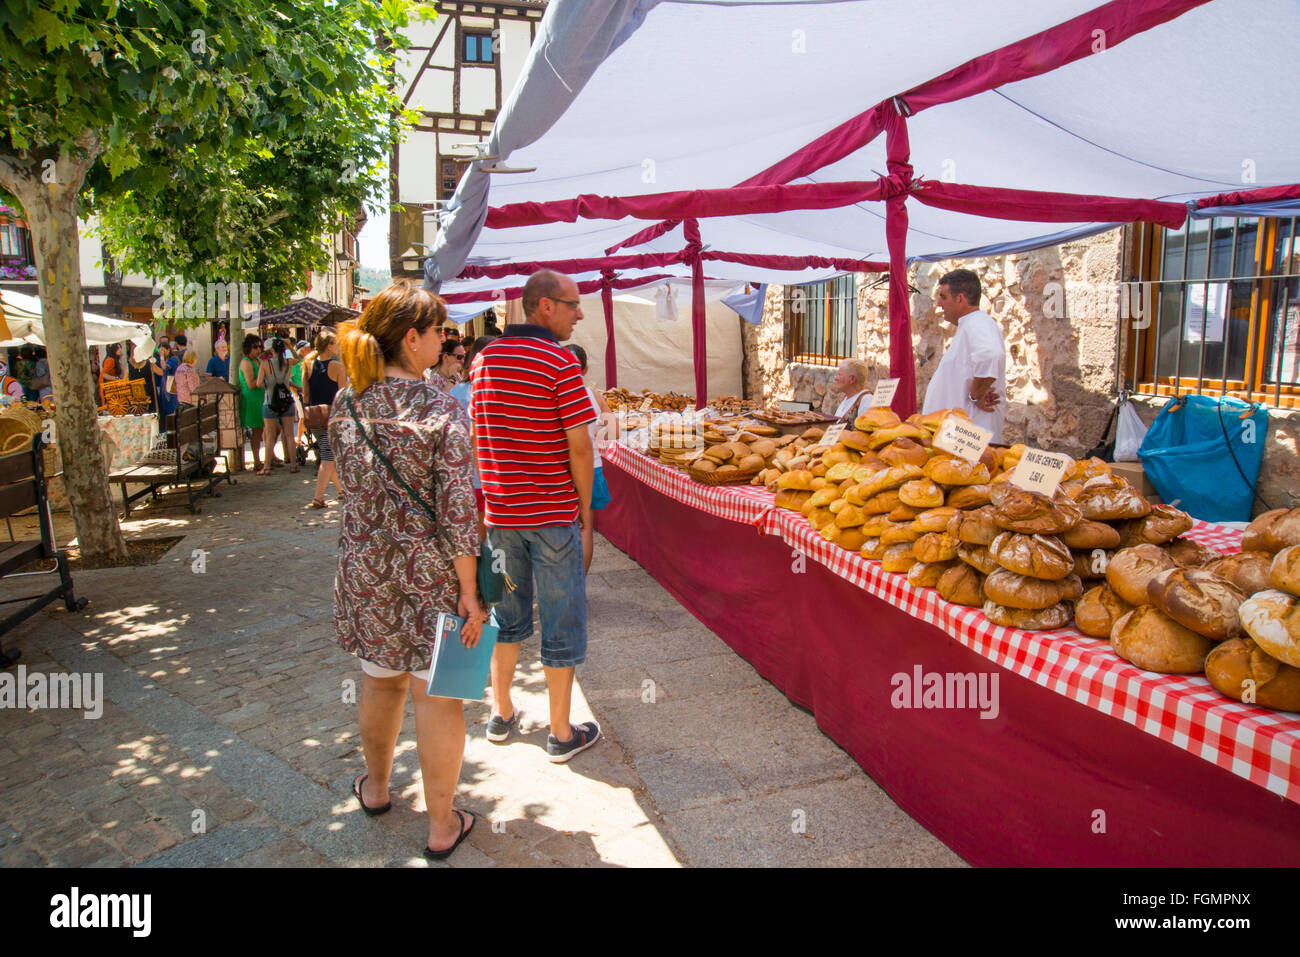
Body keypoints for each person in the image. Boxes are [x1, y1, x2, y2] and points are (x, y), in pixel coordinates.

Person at [329, 280, 486, 861]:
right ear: (412, 338)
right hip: (434, 574)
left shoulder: (346, 403)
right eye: (440, 330)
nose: (446, 340)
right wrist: (471, 592)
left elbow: (349, 485)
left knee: (380, 680)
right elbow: (458, 511)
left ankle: (375, 789)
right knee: (438, 697)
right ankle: (442, 824)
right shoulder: (444, 408)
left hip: (367, 567)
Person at [470, 269, 600, 762]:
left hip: (501, 516)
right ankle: (562, 732)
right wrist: (585, 513)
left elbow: (481, 437)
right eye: (572, 304)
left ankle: (501, 715)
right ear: (545, 306)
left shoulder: (483, 361)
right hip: (550, 515)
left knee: (506, 617)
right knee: (562, 619)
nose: (579, 313)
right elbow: (580, 450)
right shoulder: (558, 361)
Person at [921, 268, 1006, 443]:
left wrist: (976, 394)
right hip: (954, 438)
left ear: (960, 298)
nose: (939, 304)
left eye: (943, 297)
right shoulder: (969, 325)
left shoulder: (978, 322)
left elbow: (991, 356)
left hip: (967, 440)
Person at [565, 343, 612, 573]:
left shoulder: (555, 394)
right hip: (591, 468)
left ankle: (563, 580)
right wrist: (594, 433)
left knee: (560, 530)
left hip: (562, 471)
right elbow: (613, 431)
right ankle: (579, 583)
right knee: (585, 529)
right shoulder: (594, 395)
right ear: (585, 369)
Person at [448, 334, 496, 530]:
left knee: (471, 538)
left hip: (464, 477)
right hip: (489, 477)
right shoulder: (493, 392)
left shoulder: (456, 393)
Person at [305, 329, 347, 509]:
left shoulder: (307, 365)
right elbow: (343, 395)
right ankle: (318, 497)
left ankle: (340, 491)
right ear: (329, 346)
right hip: (333, 415)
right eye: (336, 343)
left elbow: (305, 395)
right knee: (328, 457)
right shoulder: (338, 367)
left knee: (328, 453)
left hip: (314, 416)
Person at [259, 337, 300, 475]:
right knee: (289, 434)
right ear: (284, 349)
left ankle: (267, 467)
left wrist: (268, 382)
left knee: (270, 436)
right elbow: (298, 359)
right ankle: (293, 466)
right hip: (287, 401)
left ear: (271, 350)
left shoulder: (266, 364)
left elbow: (259, 383)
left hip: (270, 401)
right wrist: (290, 346)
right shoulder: (288, 362)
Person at [238, 333, 268, 472]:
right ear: (248, 347)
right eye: (255, 347)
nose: (258, 349)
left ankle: (268, 457)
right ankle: (257, 461)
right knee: (257, 431)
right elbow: (250, 384)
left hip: (260, 398)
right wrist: (264, 381)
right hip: (252, 399)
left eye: (260, 346)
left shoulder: (258, 361)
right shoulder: (246, 362)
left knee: (266, 429)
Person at [830, 358, 872, 423]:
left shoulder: (866, 400)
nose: (836, 378)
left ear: (852, 379)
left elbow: (865, 429)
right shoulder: (845, 398)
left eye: (839, 374)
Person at [148, 342, 178, 421]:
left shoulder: (173, 360)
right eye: (160, 350)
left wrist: (161, 357)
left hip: (172, 388)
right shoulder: (161, 359)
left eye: (163, 350)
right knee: (163, 408)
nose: (161, 352)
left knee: (171, 407)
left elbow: (164, 368)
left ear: (168, 350)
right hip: (164, 387)